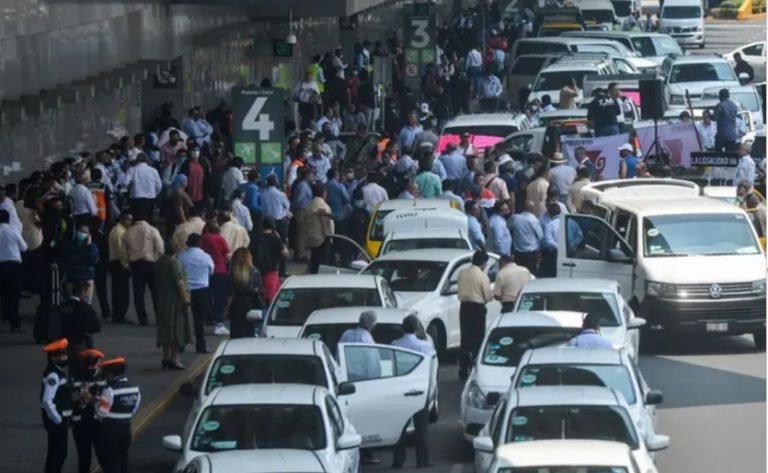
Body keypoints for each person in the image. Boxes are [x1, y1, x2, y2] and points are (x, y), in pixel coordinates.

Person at [391, 314, 434, 469]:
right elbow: (430, 366)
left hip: (399, 388)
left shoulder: (395, 344)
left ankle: (398, 460)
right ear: (416, 328)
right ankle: (422, 461)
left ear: (403, 328)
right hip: (419, 389)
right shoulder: (425, 346)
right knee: (421, 427)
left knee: (400, 426)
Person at [93, 357, 141, 473]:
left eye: (106, 374)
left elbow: (101, 413)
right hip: (126, 429)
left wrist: (96, 404)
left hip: (110, 431)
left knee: (112, 462)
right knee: (123, 459)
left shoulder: (109, 390)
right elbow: (134, 409)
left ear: (112, 374)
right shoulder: (135, 389)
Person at [122, 211, 164, 325]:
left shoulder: (127, 232)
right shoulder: (152, 230)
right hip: (150, 264)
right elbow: (160, 248)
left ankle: (142, 318)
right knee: (156, 293)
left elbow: (124, 252)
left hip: (136, 265)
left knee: (138, 293)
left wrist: (127, 262)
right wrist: (155, 259)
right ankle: (159, 317)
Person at [457, 250, 493, 380]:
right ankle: (475, 367)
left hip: (464, 308)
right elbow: (488, 296)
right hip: (477, 309)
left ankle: (463, 367)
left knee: (465, 338)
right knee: (478, 339)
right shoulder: (482, 276)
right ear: (483, 263)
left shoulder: (462, 273)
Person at [154, 247, 192, 370]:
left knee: (165, 327)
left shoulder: (159, 262)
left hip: (162, 299)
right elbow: (179, 282)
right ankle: (174, 359)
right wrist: (186, 299)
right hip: (175, 301)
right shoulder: (174, 263)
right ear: (177, 251)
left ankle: (165, 357)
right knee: (176, 329)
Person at [177, 233, 214, 354]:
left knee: (183, 317)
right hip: (202, 289)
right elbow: (211, 270)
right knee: (200, 319)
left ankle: (180, 343)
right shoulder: (206, 257)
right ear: (200, 243)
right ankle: (201, 345)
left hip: (185, 290)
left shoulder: (181, 256)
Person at [71, 349, 106, 473]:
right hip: (84, 422)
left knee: (100, 454)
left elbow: (105, 400)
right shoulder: (77, 379)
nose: (93, 367)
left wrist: (89, 397)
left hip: (92, 422)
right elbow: (72, 400)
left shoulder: (101, 377)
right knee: (86, 456)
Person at [41, 338, 73, 473]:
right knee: (57, 454)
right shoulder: (53, 375)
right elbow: (47, 401)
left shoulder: (57, 371)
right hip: (56, 421)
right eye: (62, 354)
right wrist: (58, 419)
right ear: (54, 357)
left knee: (59, 453)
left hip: (59, 420)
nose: (65, 357)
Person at [59, 281, 101, 374]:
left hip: (62, 342)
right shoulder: (86, 308)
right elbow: (97, 327)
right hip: (80, 343)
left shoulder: (61, 306)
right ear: (83, 291)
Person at [201, 221, 231, 336]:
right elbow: (228, 256)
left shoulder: (202, 239)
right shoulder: (220, 239)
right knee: (220, 298)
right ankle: (219, 324)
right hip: (219, 269)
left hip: (204, 271)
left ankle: (204, 321)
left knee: (206, 298)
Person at [228, 247, 264, 338]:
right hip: (251, 303)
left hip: (237, 303)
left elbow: (230, 291)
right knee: (250, 331)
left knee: (237, 332)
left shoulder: (233, 272)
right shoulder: (255, 271)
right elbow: (260, 289)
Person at [0, 208, 27, 332]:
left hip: (1, 266)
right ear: (8, 219)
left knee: (4, 294)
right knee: (14, 295)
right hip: (14, 266)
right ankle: (14, 323)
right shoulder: (13, 231)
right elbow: (24, 247)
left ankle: (6, 313)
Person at [59, 225, 99, 298]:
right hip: (72, 280)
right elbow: (65, 260)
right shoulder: (70, 245)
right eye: (80, 231)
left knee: (85, 306)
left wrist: (88, 246)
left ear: (89, 235)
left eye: (84, 232)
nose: (82, 234)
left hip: (86, 281)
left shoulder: (93, 247)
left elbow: (92, 261)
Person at [306, 183, 335, 274]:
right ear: (323, 193)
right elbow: (325, 222)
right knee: (322, 263)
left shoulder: (311, 203)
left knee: (314, 260)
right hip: (322, 238)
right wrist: (329, 236)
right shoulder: (321, 205)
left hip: (312, 236)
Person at [123, 154, 162, 220]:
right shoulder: (153, 171)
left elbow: (125, 183)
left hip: (136, 198)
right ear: (147, 160)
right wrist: (154, 194)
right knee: (148, 219)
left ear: (137, 160)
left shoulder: (132, 170)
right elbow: (159, 185)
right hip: (150, 199)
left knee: (136, 219)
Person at [510, 200, 543, 274]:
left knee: (519, 273)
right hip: (531, 252)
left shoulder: (515, 218)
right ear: (532, 209)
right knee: (531, 274)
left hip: (518, 252)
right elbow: (540, 236)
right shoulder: (534, 220)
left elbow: (508, 226)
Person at [164, 173, 193, 238]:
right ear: (181, 182)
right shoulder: (178, 192)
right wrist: (184, 222)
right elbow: (179, 209)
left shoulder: (181, 191)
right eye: (186, 181)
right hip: (177, 220)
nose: (187, 182)